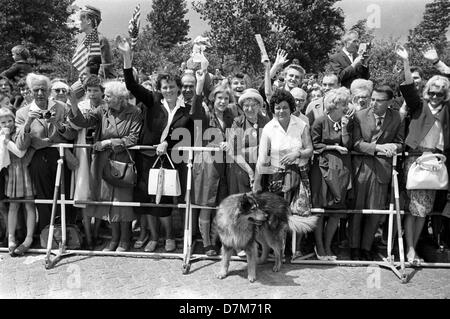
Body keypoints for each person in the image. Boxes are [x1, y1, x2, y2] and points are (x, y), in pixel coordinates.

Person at [117, 36, 193, 253]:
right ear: (160, 88)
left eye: (172, 86)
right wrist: (126, 58)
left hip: (168, 161)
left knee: (165, 201)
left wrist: (167, 144)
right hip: (147, 158)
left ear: (178, 88)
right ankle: (154, 237)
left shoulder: (185, 111)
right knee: (148, 201)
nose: (168, 90)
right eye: (164, 87)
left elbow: (183, 136)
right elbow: (131, 84)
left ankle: (169, 237)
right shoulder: (152, 100)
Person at [68, 80, 142, 252]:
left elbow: (133, 138)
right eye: (105, 95)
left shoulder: (134, 112)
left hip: (123, 162)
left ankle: (125, 239)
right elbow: (83, 121)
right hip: (103, 162)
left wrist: (108, 142)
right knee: (108, 201)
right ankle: (114, 239)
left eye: (108, 96)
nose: (105, 98)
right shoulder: (102, 110)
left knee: (122, 202)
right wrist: (73, 103)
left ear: (119, 98)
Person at [397, 45, 450, 263]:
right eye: (432, 92)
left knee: (423, 210)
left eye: (440, 93)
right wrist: (406, 61)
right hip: (416, 159)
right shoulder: (419, 106)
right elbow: (408, 87)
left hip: (436, 162)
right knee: (416, 207)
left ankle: (413, 247)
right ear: (427, 91)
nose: (435, 96)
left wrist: (437, 62)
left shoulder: (447, 109)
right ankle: (409, 250)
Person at [15, 73, 78, 234]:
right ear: (30, 91)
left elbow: (72, 135)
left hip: (61, 155)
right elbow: (21, 145)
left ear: (50, 90)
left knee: (64, 195)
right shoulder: (22, 113)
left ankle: (66, 231)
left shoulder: (61, 107)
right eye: (36, 90)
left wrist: (58, 124)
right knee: (43, 197)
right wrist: (28, 123)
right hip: (37, 157)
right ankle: (45, 233)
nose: (40, 93)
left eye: (44, 89)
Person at [350, 85, 404, 261]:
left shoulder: (397, 117)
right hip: (361, 168)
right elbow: (355, 143)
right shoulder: (359, 115)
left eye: (379, 100)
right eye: (372, 99)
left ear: (389, 102)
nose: (374, 103)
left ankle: (367, 247)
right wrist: (378, 147)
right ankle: (354, 247)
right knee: (358, 210)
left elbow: (401, 143)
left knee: (375, 210)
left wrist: (394, 147)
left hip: (382, 170)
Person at [192, 69, 235, 256]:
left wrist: (231, 142)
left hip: (224, 166)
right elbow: (194, 112)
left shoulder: (230, 117)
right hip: (207, 165)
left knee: (220, 205)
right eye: (219, 98)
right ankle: (206, 243)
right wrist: (199, 85)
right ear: (213, 99)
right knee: (205, 204)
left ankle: (216, 239)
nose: (223, 102)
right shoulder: (206, 114)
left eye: (226, 99)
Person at [310, 87, 353, 260]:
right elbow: (313, 144)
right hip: (322, 169)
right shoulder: (320, 121)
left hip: (341, 170)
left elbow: (349, 145)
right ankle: (319, 247)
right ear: (334, 105)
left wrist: (344, 128)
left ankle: (328, 246)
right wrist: (333, 147)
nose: (346, 107)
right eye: (343, 104)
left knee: (336, 211)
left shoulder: (347, 121)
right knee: (320, 209)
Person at [68, 75, 106, 249]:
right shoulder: (81, 106)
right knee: (83, 191)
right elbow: (75, 125)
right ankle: (88, 235)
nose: (92, 94)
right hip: (84, 150)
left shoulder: (107, 106)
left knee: (99, 191)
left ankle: (97, 232)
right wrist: (74, 103)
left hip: (101, 151)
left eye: (95, 90)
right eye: (89, 90)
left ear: (102, 91)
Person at [0, 108, 35, 256]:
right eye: (3, 122)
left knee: (29, 205)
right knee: (13, 206)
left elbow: (20, 152)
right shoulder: (2, 134)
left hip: (25, 170)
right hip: (12, 172)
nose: (7, 124)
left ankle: (29, 238)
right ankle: (11, 238)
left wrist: (7, 140)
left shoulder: (19, 132)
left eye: (10, 120)